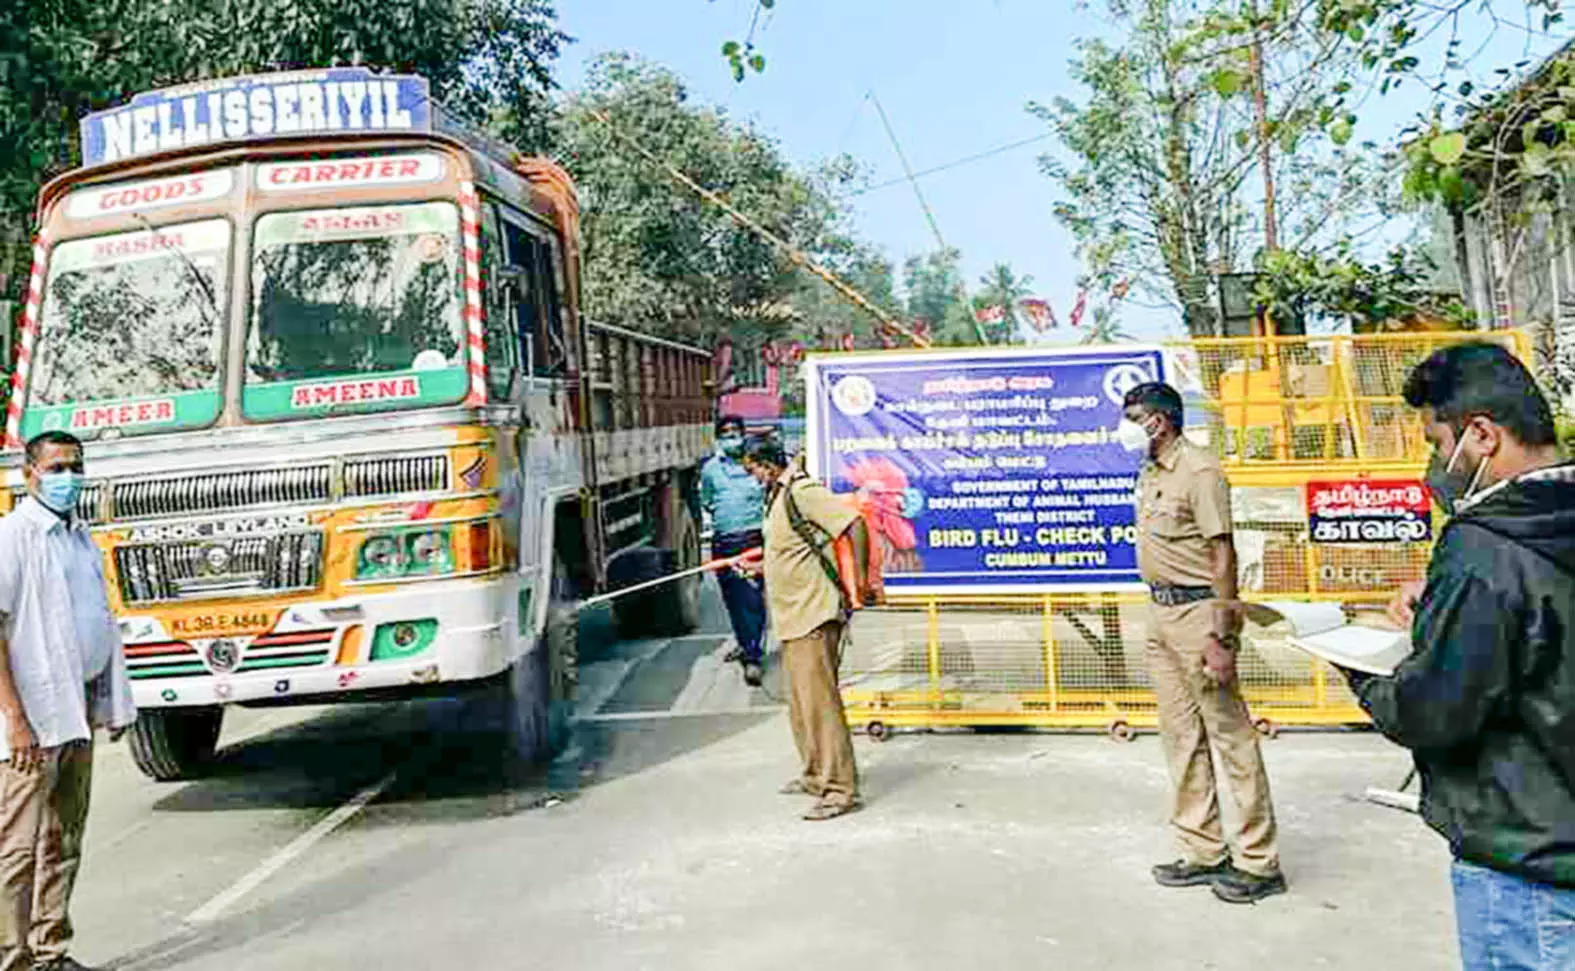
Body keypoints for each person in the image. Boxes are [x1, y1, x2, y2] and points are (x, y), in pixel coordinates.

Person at [1351, 343, 1573, 970]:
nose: (1432, 464)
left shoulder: (1482, 550)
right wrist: (1445, 606)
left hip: (1528, 869)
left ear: (1480, 435)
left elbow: (1434, 712)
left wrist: (1364, 672)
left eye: (1435, 442)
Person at [1119, 382, 1286, 904]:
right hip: (1161, 614)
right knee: (1180, 737)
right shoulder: (1151, 472)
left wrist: (1222, 635)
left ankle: (1259, 861)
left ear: (1160, 422)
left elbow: (1222, 558)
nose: (1123, 427)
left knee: (1230, 737)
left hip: (1198, 614)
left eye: (1132, 417)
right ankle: (1202, 850)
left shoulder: (1200, 471)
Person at [0, 430, 136, 971]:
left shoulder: (80, 538)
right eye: (56, 469)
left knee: (64, 837)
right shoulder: (13, 537)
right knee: (16, 847)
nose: (68, 478)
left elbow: (95, 624)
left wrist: (109, 702)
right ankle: (12, 958)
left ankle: (51, 951)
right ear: (29, 475)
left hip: (74, 708)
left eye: (75, 467)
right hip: (30, 717)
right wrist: (15, 721)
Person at [737, 436, 868, 821]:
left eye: (754, 469)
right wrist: (763, 566)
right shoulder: (777, 496)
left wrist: (857, 584)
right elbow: (793, 549)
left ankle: (840, 790)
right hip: (792, 618)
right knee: (800, 706)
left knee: (820, 706)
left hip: (814, 615)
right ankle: (815, 774)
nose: (754, 477)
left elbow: (853, 523)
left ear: (767, 463)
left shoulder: (802, 491)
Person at [699, 416, 767, 687]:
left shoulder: (754, 465)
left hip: (752, 540)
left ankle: (752, 656)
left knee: (752, 598)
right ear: (718, 438)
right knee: (732, 599)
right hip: (724, 541)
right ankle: (744, 641)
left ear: (743, 434)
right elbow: (707, 501)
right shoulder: (711, 470)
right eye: (725, 434)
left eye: (735, 432)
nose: (731, 438)